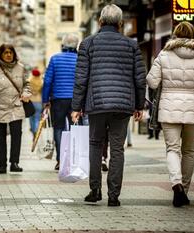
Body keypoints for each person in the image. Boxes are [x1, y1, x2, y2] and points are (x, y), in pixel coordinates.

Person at [71, 4, 146, 207]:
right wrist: (140, 105)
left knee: (95, 144)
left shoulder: (88, 44)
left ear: (100, 21)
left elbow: (81, 79)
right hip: (122, 105)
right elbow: (140, 78)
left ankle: (95, 191)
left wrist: (76, 107)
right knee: (117, 149)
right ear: (120, 23)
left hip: (96, 104)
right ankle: (114, 196)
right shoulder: (131, 45)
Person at [146, 21, 194, 207]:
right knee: (189, 150)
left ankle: (176, 184)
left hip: (168, 108)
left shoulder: (164, 54)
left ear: (175, 35)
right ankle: (184, 188)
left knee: (172, 149)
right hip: (193, 109)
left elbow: (152, 82)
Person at [0, 43, 31, 174]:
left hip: (16, 106)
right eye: (6, 52)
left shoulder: (21, 68)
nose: (9, 55)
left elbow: (27, 84)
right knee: (0, 137)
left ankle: (14, 163)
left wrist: (26, 93)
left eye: (11, 52)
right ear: (0, 54)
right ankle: (2, 165)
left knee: (17, 135)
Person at [42, 33, 79, 170]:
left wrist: (45, 100)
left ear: (63, 44)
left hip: (58, 99)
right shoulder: (80, 59)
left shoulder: (55, 59)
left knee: (58, 129)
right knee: (76, 128)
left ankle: (60, 160)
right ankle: (75, 159)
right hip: (76, 99)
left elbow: (47, 81)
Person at [28, 68, 43, 140]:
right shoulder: (41, 82)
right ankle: (36, 131)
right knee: (37, 118)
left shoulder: (29, 81)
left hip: (30, 102)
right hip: (39, 101)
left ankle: (33, 131)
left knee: (31, 118)